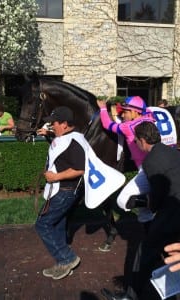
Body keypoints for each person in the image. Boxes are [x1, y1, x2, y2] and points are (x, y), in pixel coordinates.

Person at [101, 121, 180, 300]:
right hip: (176, 208)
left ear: (143, 140)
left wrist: (142, 202)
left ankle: (130, 296)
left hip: (172, 213)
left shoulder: (151, 161)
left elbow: (158, 199)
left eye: (136, 140)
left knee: (143, 253)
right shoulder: (172, 151)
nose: (135, 144)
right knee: (169, 252)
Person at [97, 96, 155, 249]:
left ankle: (154, 203)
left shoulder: (128, 127)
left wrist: (103, 108)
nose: (122, 115)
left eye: (126, 112)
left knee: (123, 200)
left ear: (136, 112)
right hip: (160, 163)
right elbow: (148, 110)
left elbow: (107, 124)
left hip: (146, 169)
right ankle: (151, 234)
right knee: (143, 213)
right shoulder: (150, 118)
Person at [35, 106, 84, 280]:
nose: (51, 126)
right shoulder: (67, 136)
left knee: (42, 224)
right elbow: (62, 150)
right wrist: (48, 134)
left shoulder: (74, 142)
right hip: (62, 190)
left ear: (64, 124)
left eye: (53, 123)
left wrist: (55, 177)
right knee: (58, 224)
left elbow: (79, 169)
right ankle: (63, 263)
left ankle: (67, 258)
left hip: (65, 191)